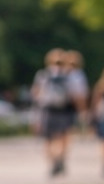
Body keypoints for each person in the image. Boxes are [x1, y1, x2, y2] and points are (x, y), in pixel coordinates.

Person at [32, 49, 83, 177]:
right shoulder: (69, 76)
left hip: (48, 109)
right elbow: (76, 96)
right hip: (64, 110)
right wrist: (81, 111)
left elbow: (35, 95)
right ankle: (60, 158)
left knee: (48, 140)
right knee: (63, 137)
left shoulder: (43, 75)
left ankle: (52, 162)